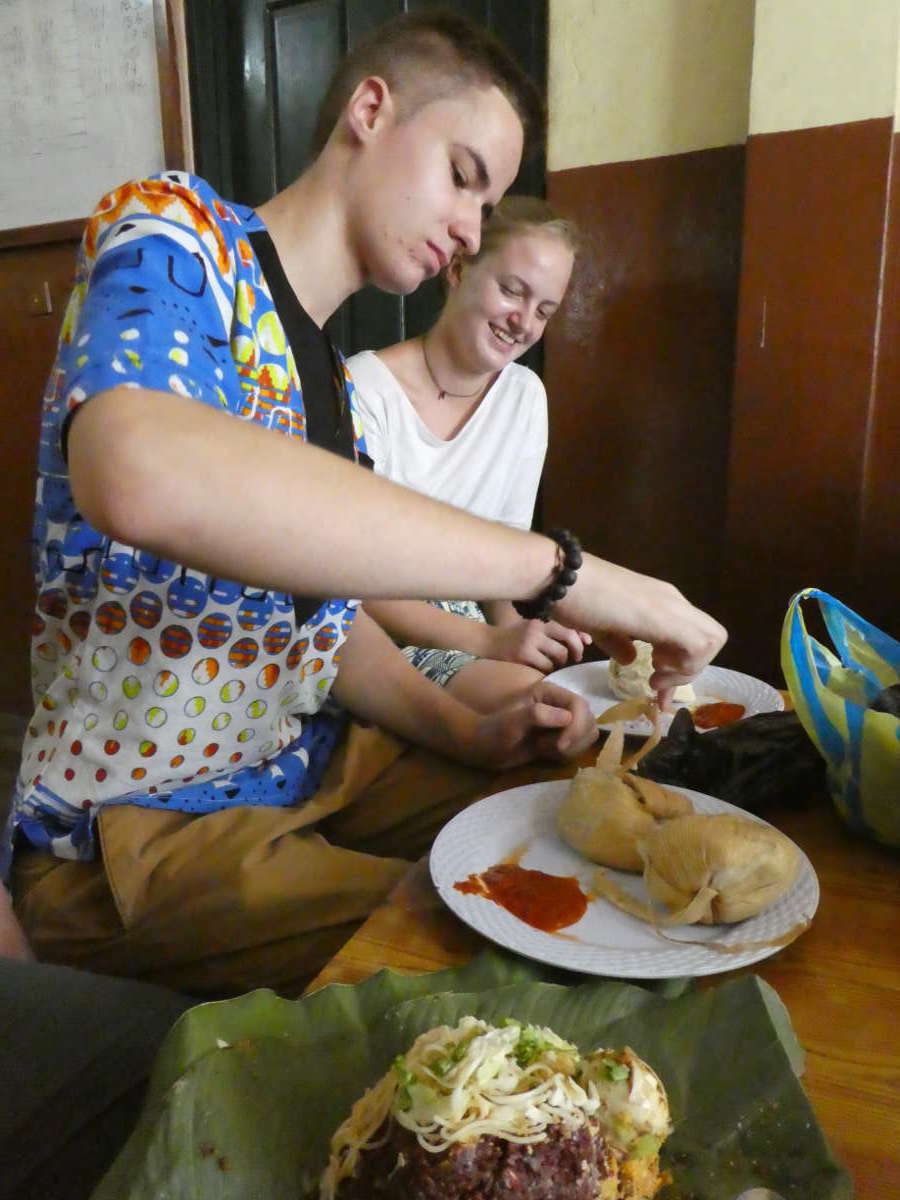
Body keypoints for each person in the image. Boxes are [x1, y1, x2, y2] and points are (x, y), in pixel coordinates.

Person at [3, 10, 726, 995]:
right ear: (371, 110)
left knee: (575, 813)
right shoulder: (177, 237)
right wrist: (564, 573)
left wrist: (463, 732)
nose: (471, 230)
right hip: (142, 824)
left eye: (491, 202)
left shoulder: (332, 391)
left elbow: (323, 629)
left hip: (314, 767)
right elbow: (138, 470)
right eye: (464, 176)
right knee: (505, 949)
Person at [350, 195, 590, 715]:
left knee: (563, 707)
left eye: (544, 311)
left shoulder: (524, 397)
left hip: (469, 634)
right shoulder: (365, 390)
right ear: (458, 269)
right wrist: (488, 646)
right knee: (529, 716)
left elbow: (501, 569)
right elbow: (345, 579)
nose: (523, 322)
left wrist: (523, 643)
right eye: (512, 291)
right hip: (365, 633)